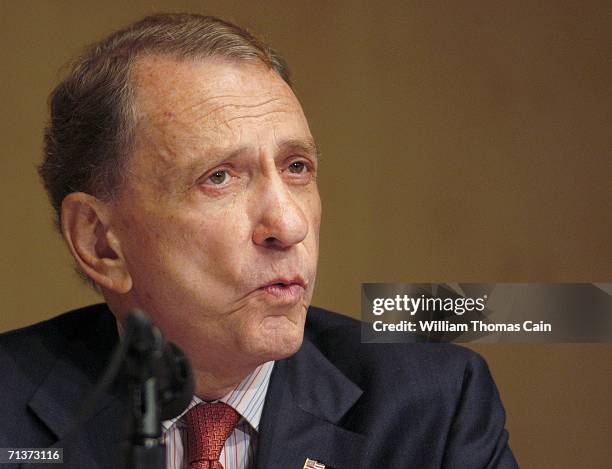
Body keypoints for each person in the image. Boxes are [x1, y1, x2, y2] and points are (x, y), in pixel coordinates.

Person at [0, 13, 518, 469]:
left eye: (297, 168)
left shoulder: (432, 407)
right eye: (220, 177)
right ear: (100, 243)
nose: (289, 225)